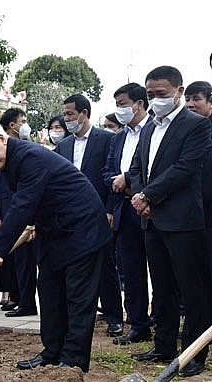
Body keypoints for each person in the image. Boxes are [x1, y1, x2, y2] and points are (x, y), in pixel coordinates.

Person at [0, 119, 111, 372]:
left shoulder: (29, 157)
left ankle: (73, 362)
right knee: (49, 293)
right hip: (53, 230)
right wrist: (32, 224)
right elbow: (35, 198)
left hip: (82, 229)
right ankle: (52, 351)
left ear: (2, 139)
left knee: (78, 298)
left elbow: (22, 204)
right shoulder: (5, 162)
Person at [129, 66, 212, 377]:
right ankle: (163, 344)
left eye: (161, 94)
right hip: (151, 219)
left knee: (192, 290)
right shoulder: (150, 126)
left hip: (183, 220)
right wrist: (141, 196)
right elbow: (138, 166)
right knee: (161, 287)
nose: (155, 100)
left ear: (178, 91)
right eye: (150, 95)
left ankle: (192, 353)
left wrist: (149, 195)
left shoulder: (195, 125)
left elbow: (185, 168)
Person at [55, 94, 124, 338]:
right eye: (65, 114)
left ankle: (115, 316)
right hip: (69, 218)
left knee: (105, 265)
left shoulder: (107, 139)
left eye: (71, 114)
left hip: (98, 214)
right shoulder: (62, 145)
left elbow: (111, 176)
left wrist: (109, 209)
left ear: (84, 114)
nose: (67, 119)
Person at [103, 82, 152, 345]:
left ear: (139, 104)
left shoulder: (155, 130)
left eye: (122, 104)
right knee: (130, 270)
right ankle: (138, 323)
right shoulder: (119, 137)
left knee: (160, 270)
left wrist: (129, 181)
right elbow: (107, 170)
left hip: (150, 208)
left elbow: (153, 169)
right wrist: (115, 188)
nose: (119, 110)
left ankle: (165, 321)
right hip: (123, 208)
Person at [0, 108, 38, 317]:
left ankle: (27, 301)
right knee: (13, 261)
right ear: (12, 125)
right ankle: (17, 298)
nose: (25, 125)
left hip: (28, 214)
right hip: (6, 213)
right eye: (23, 121)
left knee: (27, 261)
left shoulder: (30, 150)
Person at [184, 80, 212, 282]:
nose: (190, 104)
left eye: (196, 99)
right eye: (187, 99)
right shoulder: (186, 130)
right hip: (194, 211)